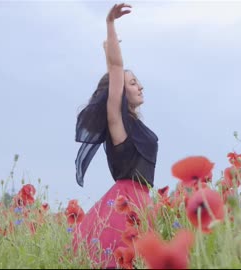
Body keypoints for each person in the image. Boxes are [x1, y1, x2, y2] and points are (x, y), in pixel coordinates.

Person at [72, 3, 158, 268]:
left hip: (142, 202)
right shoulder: (117, 121)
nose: (140, 86)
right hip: (124, 205)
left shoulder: (134, 125)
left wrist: (108, 47)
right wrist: (110, 24)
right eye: (132, 83)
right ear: (120, 92)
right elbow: (116, 67)